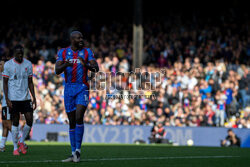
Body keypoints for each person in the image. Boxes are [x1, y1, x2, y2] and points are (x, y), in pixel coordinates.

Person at [55, 31, 99, 163]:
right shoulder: (63, 52)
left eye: (82, 37)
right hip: (69, 88)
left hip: (82, 87)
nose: (81, 39)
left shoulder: (87, 52)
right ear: (72, 39)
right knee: (72, 121)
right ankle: (73, 152)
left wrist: (86, 65)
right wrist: (65, 65)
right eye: (78, 37)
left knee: (79, 116)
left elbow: (96, 68)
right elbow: (57, 70)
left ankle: (78, 151)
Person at [2, 44, 36, 155]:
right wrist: (7, 98)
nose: (20, 55)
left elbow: (30, 82)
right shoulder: (8, 65)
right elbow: (5, 83)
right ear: (14, 54)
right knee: (15, 122)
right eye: (18, 54)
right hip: (14, 98)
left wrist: (34, 97)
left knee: (30, 120)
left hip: (26, 98)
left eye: (22, 53)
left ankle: (21, 141)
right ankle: (15, 148)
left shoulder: (28, 64)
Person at [0, 56, 12, 152]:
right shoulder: (2, 75)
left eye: (1, 64)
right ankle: (2, 146)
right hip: (5, 102)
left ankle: (21, 142)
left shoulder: (7, 75)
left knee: (7, 124)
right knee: (4, 125)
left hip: (7, 103)